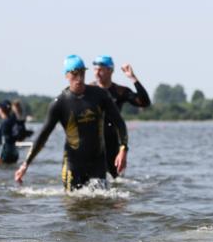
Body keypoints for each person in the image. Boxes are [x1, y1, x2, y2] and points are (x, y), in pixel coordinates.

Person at [15, 55, 128, 190]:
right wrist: (26, 163)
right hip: (73, 164)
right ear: (66, 75)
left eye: (82, 73)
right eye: (74, 74)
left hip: (97, 162)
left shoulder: (100, 95)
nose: (79, 78)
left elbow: (119, 123)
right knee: (73, 205)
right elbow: (43, 136)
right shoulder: (59, 104)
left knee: (101, 205)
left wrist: (123, 149)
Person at [91, 55, 151, 178]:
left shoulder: (119, 91)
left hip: (113, 142)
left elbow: (145, 102)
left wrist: (133, 78)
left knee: (115, 180)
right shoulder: (89, 90)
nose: (97, 72)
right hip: (93, 142)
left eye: (101, 69)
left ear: (110, 70)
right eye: (95, 69)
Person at [0, 100, 20, 166]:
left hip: (6, 153)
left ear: (1, 109)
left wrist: (0, 156)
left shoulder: (5, 123)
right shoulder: (12, 120)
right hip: (15, 152)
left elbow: (4, 141)